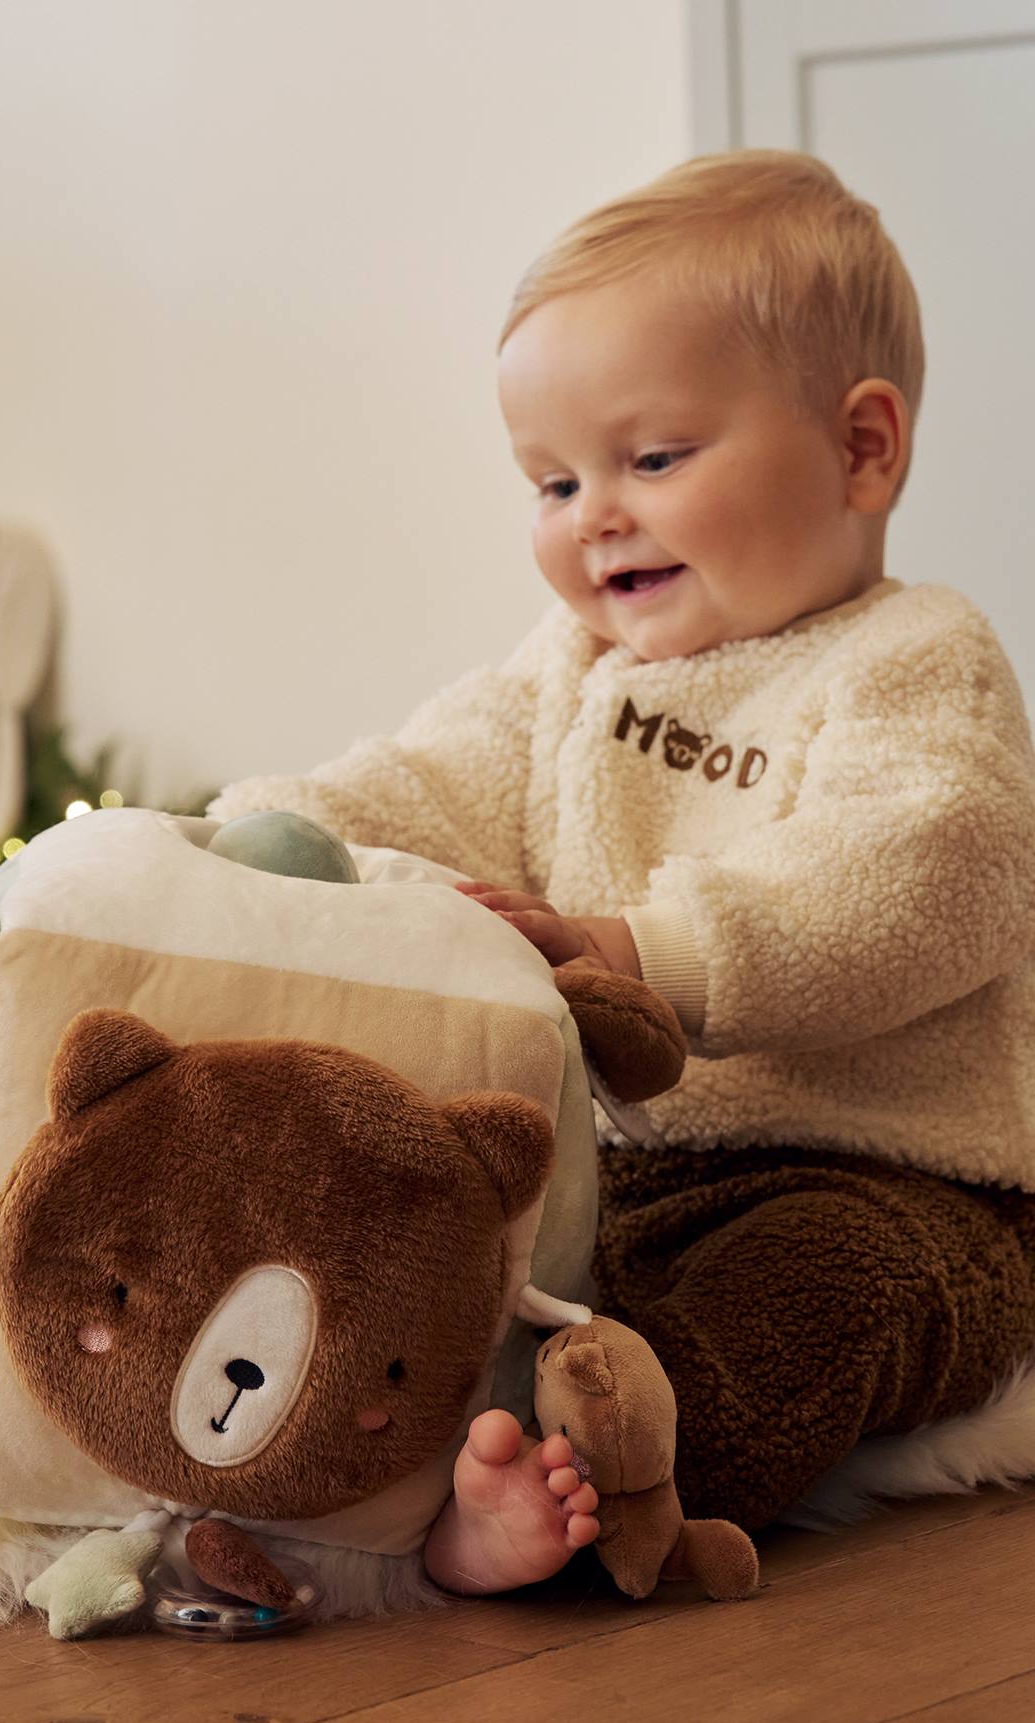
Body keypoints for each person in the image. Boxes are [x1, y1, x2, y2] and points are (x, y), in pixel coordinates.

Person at [207, 150, 1035, 1596]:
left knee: (812, 1310)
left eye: (653, 460)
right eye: (552, 478)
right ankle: (371, 1464)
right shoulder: (571, 671)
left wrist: (636, 949)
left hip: (885, 1180)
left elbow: (919, 883)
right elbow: (422, 775)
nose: (595, 512)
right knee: (422, 1250)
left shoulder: (916, 661)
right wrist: (254, 845)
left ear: (862, 449)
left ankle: (606, 1489)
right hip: (616, 1176)